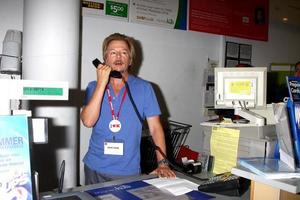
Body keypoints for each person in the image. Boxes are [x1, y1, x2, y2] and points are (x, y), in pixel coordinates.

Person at [80, 33, 176, 185]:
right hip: (94, 167)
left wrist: (162, 163)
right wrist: (101, 84)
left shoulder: (145, 88)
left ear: (130, 59)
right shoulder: (93, 87)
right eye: (113, 52)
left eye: (124, 52)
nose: (118, 56)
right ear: (104, 59)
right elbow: (87, 121)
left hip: (127, 171)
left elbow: (156, 128)